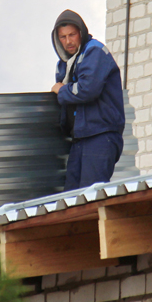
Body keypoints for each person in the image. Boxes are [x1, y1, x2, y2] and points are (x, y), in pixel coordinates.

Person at [51, 10, 125, 191]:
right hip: (81, 139)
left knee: (90, 199)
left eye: (72, 35)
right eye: (62, 37)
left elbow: (87, 89)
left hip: (100, 136)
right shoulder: (65, 62)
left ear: (81, 33)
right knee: (72, 200)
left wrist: (61, 90)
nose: (68, 41)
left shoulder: (94, 51)